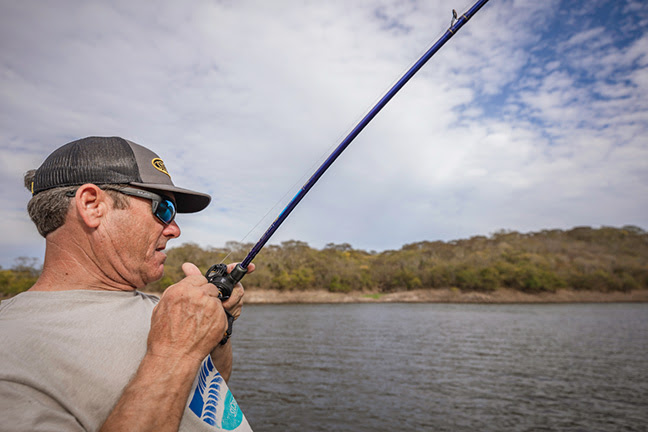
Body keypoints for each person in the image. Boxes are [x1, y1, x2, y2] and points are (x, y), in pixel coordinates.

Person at [0, 136, 255, 431]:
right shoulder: (11, 349)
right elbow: (177, 359)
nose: (175, 229)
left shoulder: (165, 310)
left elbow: (211, 398)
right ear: (92, 205)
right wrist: (175, 353)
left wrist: (220, 326)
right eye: (163, 209)